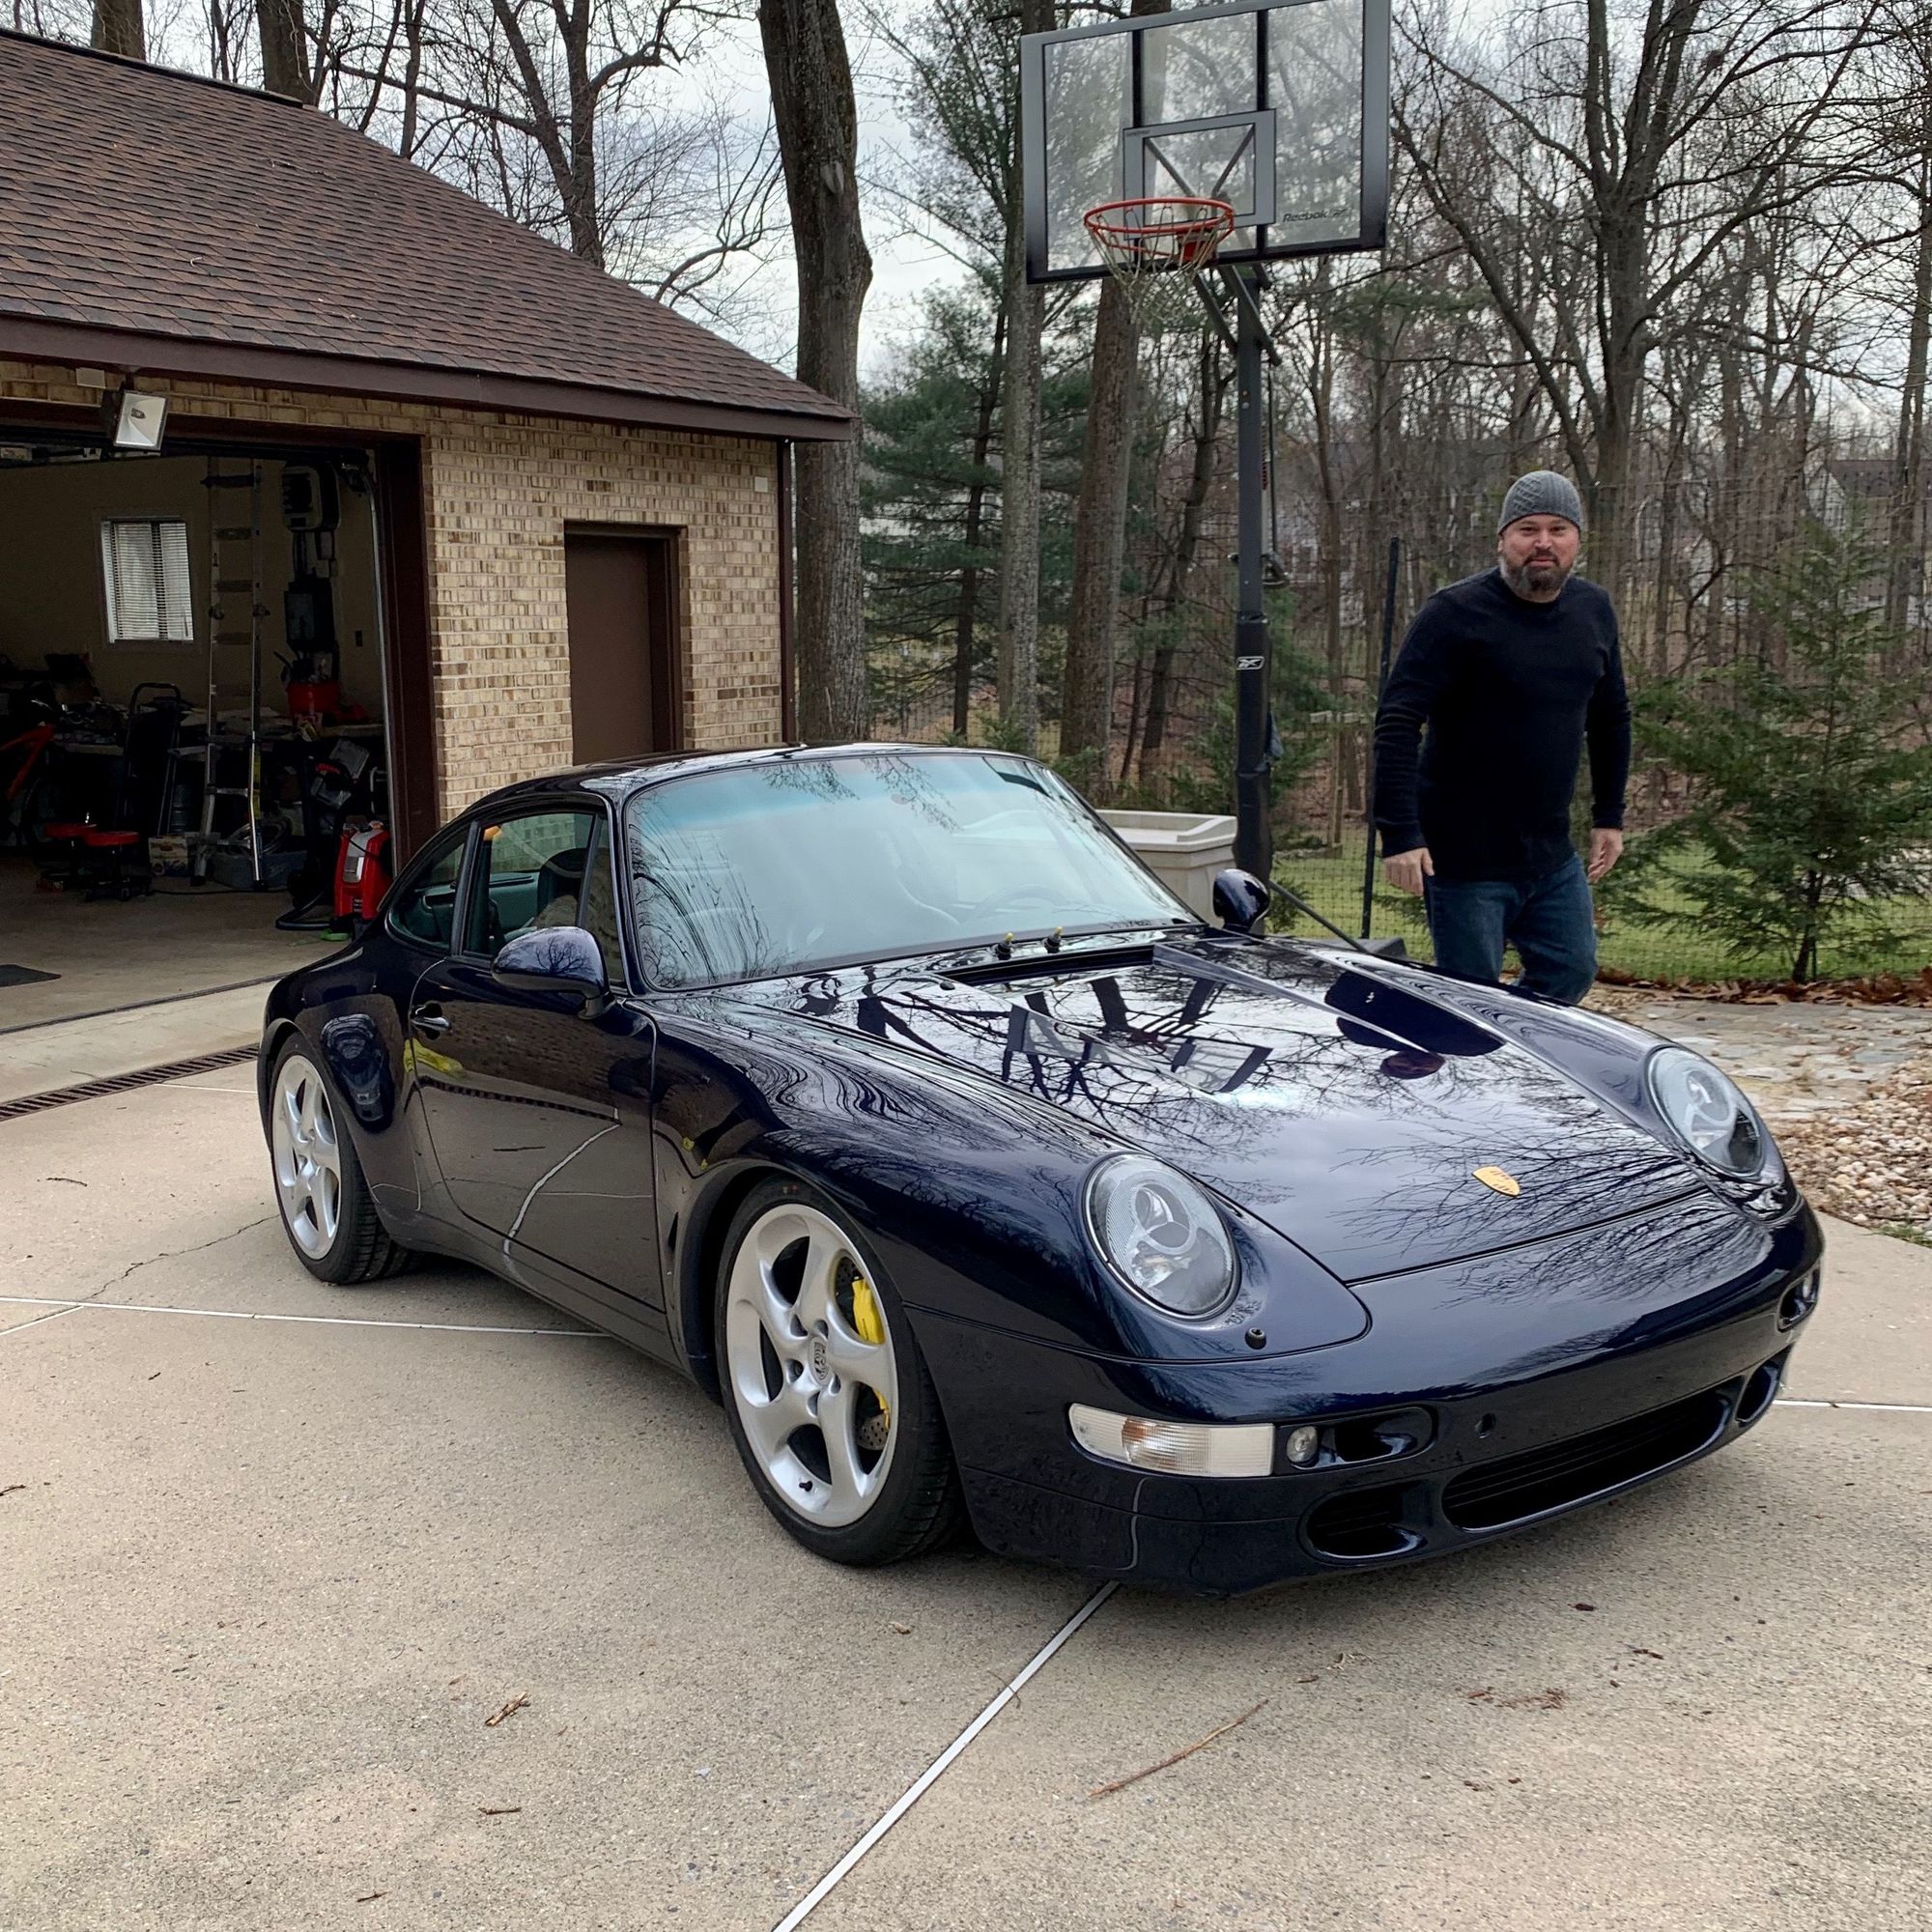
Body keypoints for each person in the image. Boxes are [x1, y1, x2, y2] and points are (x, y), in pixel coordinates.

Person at [1372, 470, 1629, 1006]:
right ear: (1502, 541)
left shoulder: (1593, 610)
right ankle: (1479, 1050)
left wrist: (1609, 815)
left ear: (1577, 540)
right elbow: (1397, 723)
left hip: (1550, 853)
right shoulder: (1454, 613)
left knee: (1571, 971)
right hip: (1463, 860)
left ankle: (1514, 1045)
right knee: (1473, 1000)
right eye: (1527, 530)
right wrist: (1399, 835)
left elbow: (1610, 716)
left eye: (1558, 529)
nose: (1543, 542)